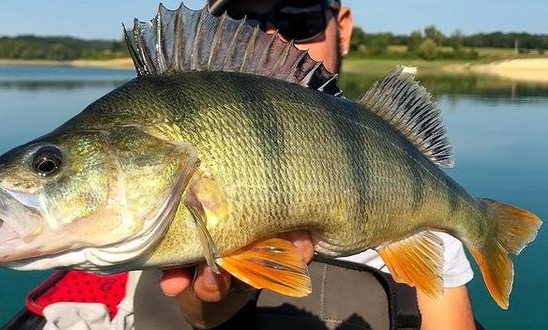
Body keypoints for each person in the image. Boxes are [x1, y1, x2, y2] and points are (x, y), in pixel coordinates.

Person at [153, 1, 477, 329]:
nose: (271, 37)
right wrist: (231, 287)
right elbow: (201, 317)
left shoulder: (398, 160)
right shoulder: (176, 160)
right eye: (242, 22)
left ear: (343, 28)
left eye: (298, 18)